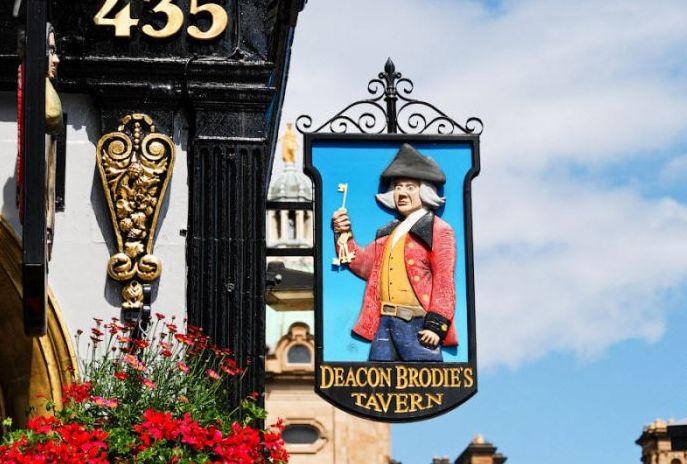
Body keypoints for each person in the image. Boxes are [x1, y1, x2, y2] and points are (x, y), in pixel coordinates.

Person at [331, 143, 458, 362]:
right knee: (376, 390)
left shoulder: (439, 230)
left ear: (425, 191)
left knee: (424, 389)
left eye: (410, 187)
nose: (402, 193)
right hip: (384, 325)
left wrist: (436, 327)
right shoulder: (388, 233)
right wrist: (343, 233)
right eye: (398, 186)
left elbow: (444, 282)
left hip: (418, 327)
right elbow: (362, 264)